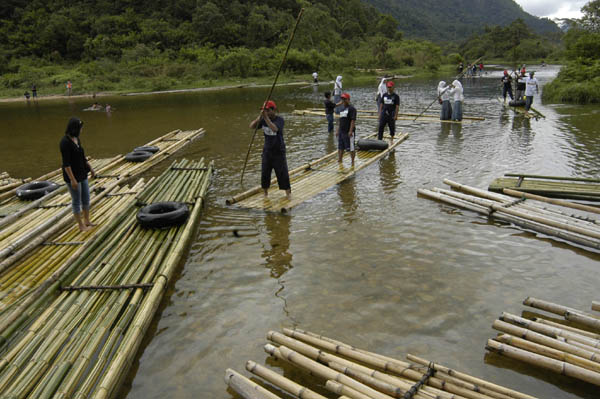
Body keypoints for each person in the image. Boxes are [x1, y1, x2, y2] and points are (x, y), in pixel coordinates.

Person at [249, 100, 291, 200]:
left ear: (273, 110)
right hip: (267, 152)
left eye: (268, 110)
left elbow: (275, 129)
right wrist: (259, 117)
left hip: (279, 151)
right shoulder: (262, 120)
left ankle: (288, 194)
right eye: (265, 110)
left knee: (282, 174)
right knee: (265, 173)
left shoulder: (279, 120)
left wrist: (266, 118)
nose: (266, 112)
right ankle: (265, 194)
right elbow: (251, 126)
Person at [60, 117, 96, 232]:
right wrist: (72, 180)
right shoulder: (65, 142)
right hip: (73, 176)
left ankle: (87, 220)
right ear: (75, 128)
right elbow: (66, 164)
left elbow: (82, 156)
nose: (82, 130)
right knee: (76, 201)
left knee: (86, 198)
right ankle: (80, 225)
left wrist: (90, 168)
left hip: (82, 173)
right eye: (81, 128)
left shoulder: (77, 139)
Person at [336, 93, 356, 165]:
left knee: (351, 147)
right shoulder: (341, 109)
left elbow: (353, 120)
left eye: (345, 99)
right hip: (342, 131)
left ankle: (352, 162)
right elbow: (340, 120)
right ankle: (340, 159)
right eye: (342, 99)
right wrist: (337, 130)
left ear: (348, 100)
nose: (343, 100)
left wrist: (350, 131)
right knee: (340, 146)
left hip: (348, 131)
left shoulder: (352, 109)